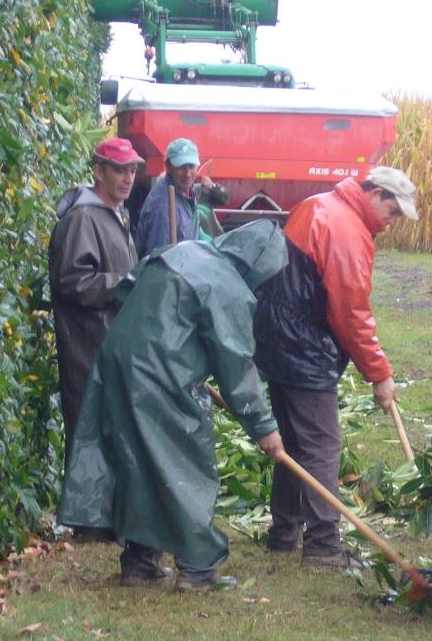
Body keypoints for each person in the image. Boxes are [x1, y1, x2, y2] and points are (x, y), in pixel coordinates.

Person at [59, 222, 287, 592]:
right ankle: (197, 569)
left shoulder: (179, 250)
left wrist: (181, 346)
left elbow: (125, 291)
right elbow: (236, 365)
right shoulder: (227, 286)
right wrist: (264, 427)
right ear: (258, 266)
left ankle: (139, 562)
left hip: (117, 363)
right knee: (187, 464)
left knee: (137, 461)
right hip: (160, 376)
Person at [252, 166, 418, 567]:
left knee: (292, 444)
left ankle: (284, 533)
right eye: (393, 213)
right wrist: (379, 374)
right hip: (303, 347)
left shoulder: (317, 205)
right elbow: (351, 312)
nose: (392, 225)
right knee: (321, 446)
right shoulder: (346, 230)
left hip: (274, 338)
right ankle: (324, 546)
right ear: (375, 193)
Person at [48, 137, 143, 463]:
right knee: (90, 448)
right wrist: (127, 282)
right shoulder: (83, 219)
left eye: (132, 170)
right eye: (119, 170)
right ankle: (82, 515)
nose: (128, 178)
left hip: (110, 352)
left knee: (111, 447)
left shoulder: (116, 215)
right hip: (88, 353)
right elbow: (72, 281)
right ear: (98, 172)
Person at [135, 137, 229, 255]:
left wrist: (213, 245)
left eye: (191, 166)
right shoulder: (163, 208)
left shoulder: (186, 191)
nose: (188, 174)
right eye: (181, 167)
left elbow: (192, 229)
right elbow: (158, 261)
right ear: (168, 166)